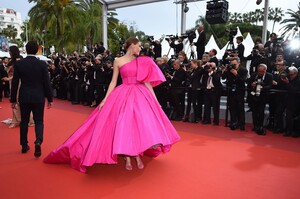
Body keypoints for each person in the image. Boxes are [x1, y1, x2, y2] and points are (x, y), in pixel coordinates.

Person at [44, 37, 180, 172]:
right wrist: (104, 99)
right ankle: (128, 156)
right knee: (125, 125)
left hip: (140, 94)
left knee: (140, 126)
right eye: (138, 45)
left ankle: (137, 153)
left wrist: (155, 101)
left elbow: (147, 82)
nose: (140, 48)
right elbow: (113, 82)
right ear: (131, 45)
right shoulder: (118, 61)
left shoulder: (142, 61)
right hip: (123, 94)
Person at [10, 41, 53, 157]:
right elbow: (47, 83)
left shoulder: (19, 64)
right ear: (36, 50)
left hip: (24, 96)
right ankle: (38, 140)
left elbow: (15, 83)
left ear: (26, 49)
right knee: (39, 121)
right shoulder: (42, 65)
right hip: (39, 96)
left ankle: (24, 145)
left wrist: (13, 100)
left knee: (24, 121)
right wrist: (50, 98)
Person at [247, 64, 273, 135]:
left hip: (263, 96)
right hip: (254, 96)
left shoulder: (269, 76)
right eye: (259, 71)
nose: (260, 73)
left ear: (265, 70)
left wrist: (262, 87)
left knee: (261, 112)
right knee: (254, 111)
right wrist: (252, 85)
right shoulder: (253, 75)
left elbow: (270, 86)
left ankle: (260, 126)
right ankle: (255, 125)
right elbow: (248, 84)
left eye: (262, 71)